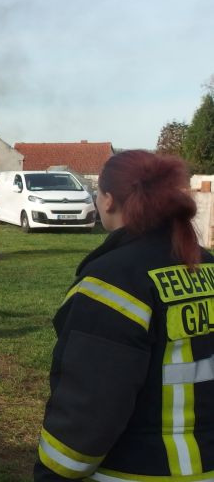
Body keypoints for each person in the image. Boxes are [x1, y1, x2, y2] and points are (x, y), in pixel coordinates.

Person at [34, 150, 214, 481]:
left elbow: (91, 407)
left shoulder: (113, 281)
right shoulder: (207, 265)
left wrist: (54, 472)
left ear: (108, 200)